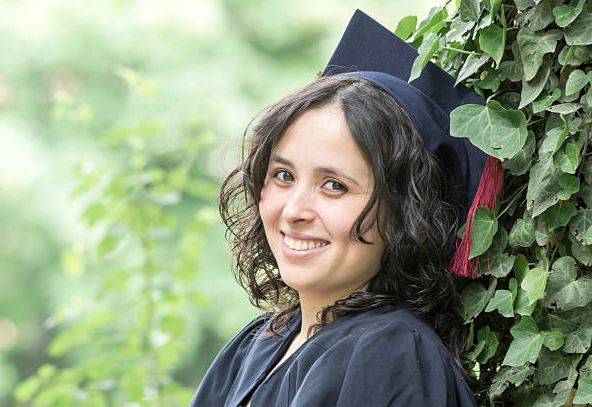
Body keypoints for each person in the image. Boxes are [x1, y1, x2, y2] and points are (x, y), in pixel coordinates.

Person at [190, 9, 500, 407]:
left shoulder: (391, 354)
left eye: (334, 186)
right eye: (283, 175)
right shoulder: (257, 344)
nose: (295, 210)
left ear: (405, 213)